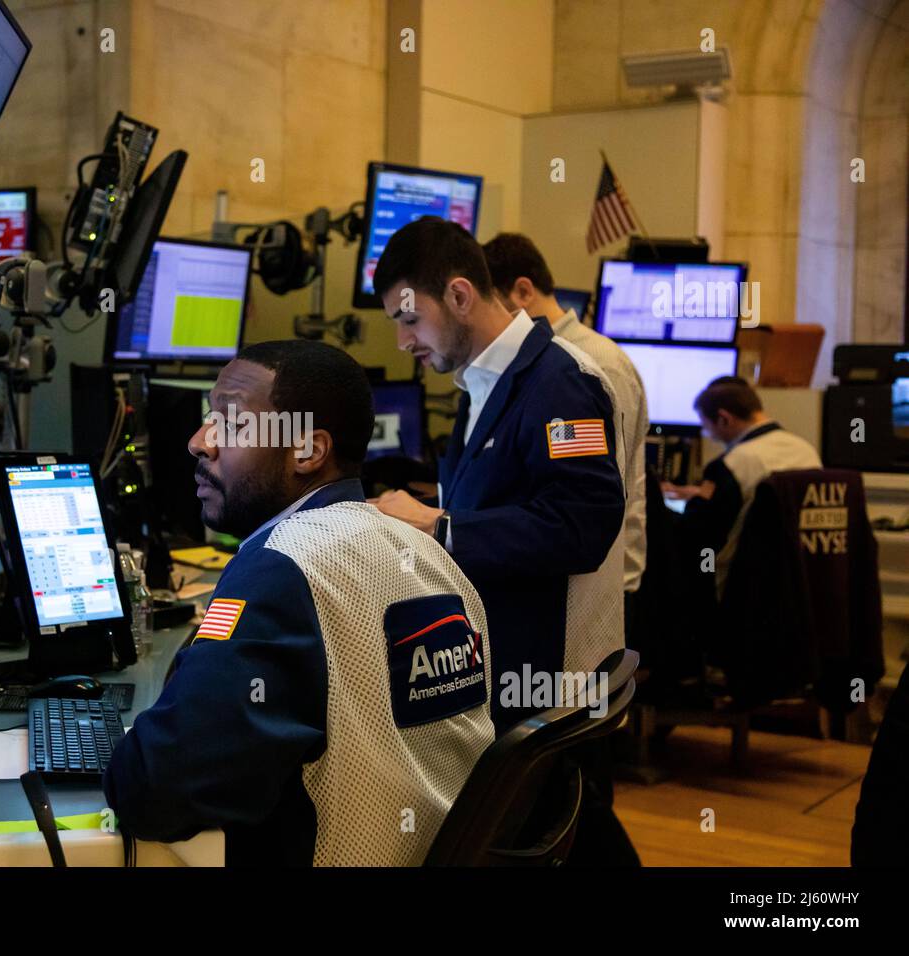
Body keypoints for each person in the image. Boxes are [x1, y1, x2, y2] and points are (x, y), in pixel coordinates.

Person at [104, 339, 496, 866]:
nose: (200, 442)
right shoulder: (429, 554)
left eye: (232, 423)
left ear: (308, 452)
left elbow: (154, 791)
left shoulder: (283, 566)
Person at [369, 217, 626, 735]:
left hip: (549, 684)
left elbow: (583, 525)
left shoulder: (562, 383)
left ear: (459, 296)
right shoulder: (479, 382)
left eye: (409, 319)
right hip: (497, 666)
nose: (401, 340)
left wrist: (441, 528)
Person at [482, 233, 649, 621]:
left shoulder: (590, 363)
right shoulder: (543, 362)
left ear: (523, 291)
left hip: (598, 586)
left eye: (493, 304)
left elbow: (595, 493)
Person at [664, 375, 821, 594]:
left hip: (737, 585)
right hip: (797, 578)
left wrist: (657, 506)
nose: (709, 435)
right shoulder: (805, 450)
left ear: (724, 419)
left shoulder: (731, 465)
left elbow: (697, 531)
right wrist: (702, 494)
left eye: (707, 427)